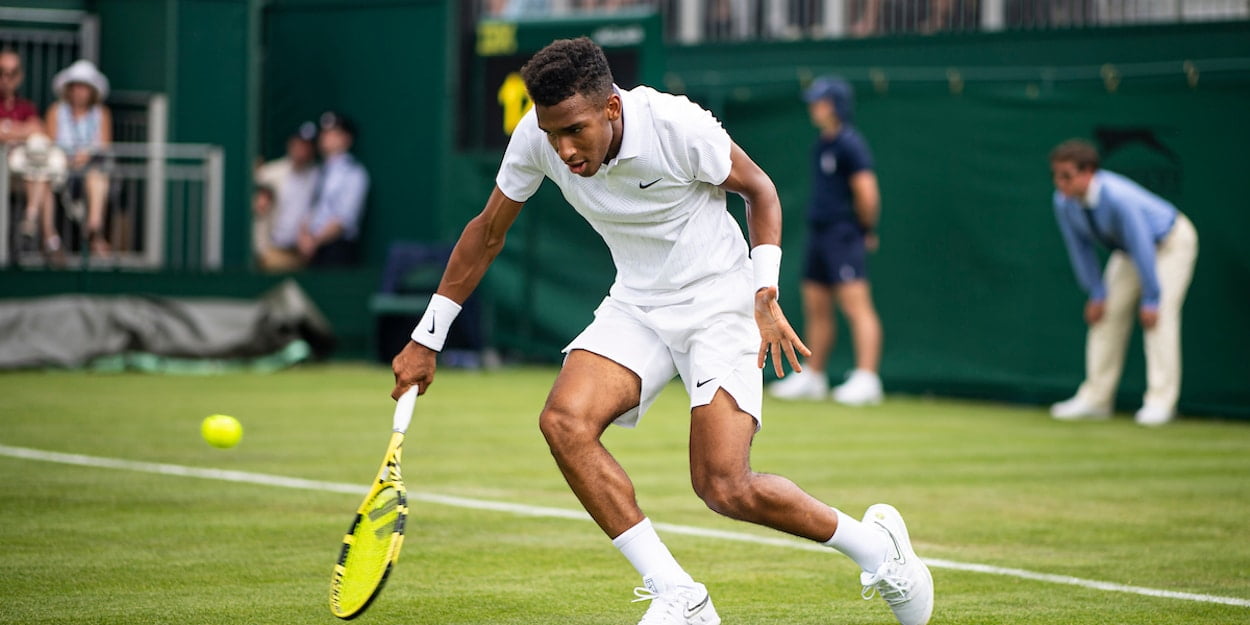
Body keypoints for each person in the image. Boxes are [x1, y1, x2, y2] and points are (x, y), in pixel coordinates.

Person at [390, 38, 932, 625]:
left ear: (611, 109)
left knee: (724, 486)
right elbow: (487, 231)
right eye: (552, 134)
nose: (564, 149)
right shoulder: (536, 138)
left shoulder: (676, 125)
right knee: (564, 422)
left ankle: (879, 550)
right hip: (638, 302)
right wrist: (427, 336)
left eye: (575, 130)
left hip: (721, 298)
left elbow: (761, 189)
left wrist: (764, 290)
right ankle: (679, 593)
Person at [1047, 139, 1198, 427]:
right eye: (1056, 175)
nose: (1060, 182)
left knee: (1160, 317)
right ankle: (1096, 399)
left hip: (1170, 243)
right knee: (1105, 316)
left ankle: (1160, 403)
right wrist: (1096, 292)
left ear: (1088, 172)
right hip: (1129, 252)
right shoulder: (1063, 203)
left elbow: (1142, 243)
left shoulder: (1118, 197)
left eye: (1066, 175)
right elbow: (1079, 248)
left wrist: (1152, 297)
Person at [767, 77, 884, 405]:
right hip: (819, 233)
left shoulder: (851, 144)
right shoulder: (822, 144)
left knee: (856, 306)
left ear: (836, 105)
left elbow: (867, 193)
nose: (814, 107)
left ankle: (867, 377)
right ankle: (814, 375)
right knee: (816, 305)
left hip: (844, 233)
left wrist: (864, 229)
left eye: (820, 101)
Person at [46, 59, 113, 258]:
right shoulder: (56, 111)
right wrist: (67, 159)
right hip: (60, 170)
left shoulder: (102, 114)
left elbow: (104, 144)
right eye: (75, 87)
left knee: (96, 178)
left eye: (84, 87)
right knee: (45, 183)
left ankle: (93, 230)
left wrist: (86, 156)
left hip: (89, 169)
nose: (78, 92)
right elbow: (50, 141)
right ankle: (51, 241)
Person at [0, 49, 56, 257]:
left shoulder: (26, 107)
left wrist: (8, 130)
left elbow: (40, 130)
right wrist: (22, 130)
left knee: (41, 177)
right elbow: (29, 129)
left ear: (20, 77)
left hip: (20, 175)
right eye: (1, 72)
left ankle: (33, 224)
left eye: (12, 73)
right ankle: (49, 238)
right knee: (41, 177)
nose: (6, 79)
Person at [298, 111, 368, 267]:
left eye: (333, 133)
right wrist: (304, 236)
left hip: (337, 250)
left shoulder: (354, 174)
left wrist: (315, 241)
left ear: (346, 138)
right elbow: (310, 208)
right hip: (311, 249)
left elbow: (344, 219)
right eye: (324, 133)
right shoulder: (318, 171)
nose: (325, 137)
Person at [253, 121, 319, 272]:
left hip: (304, 255)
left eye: (306, 145)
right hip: (273, 252)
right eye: (298, 144)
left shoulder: (319, 176)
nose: (301, 150)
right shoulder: (269, 173)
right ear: (290, 144)